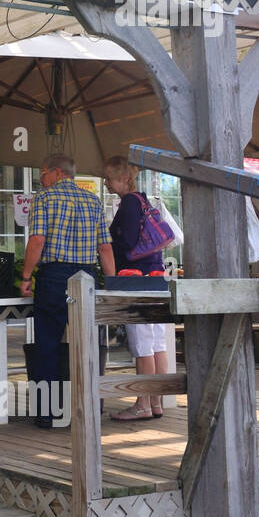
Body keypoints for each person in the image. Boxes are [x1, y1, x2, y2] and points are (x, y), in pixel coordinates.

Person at [20, 154, 116, 427]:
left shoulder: (44, 198)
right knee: (87, 345)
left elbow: (37, 240)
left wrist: (26, 276)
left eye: (43, 173)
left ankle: (47, 415)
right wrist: (111, 284)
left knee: (47, 345)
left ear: (58, 173)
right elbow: (105, 248)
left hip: (53, 277)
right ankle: (89, 409)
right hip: (87, 277)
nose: (41, 178)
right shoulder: (93, 201)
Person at [102, 156, 173, 420]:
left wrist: (108, 244)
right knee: (157, 343)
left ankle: (142, 404)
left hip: (136, 277)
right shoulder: (143, 200)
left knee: (142, 343)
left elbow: (128, 241)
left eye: (108, 178)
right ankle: (156, 402)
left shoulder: (129, 203)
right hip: (154, 276)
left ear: (122, 178)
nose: (106, 183)